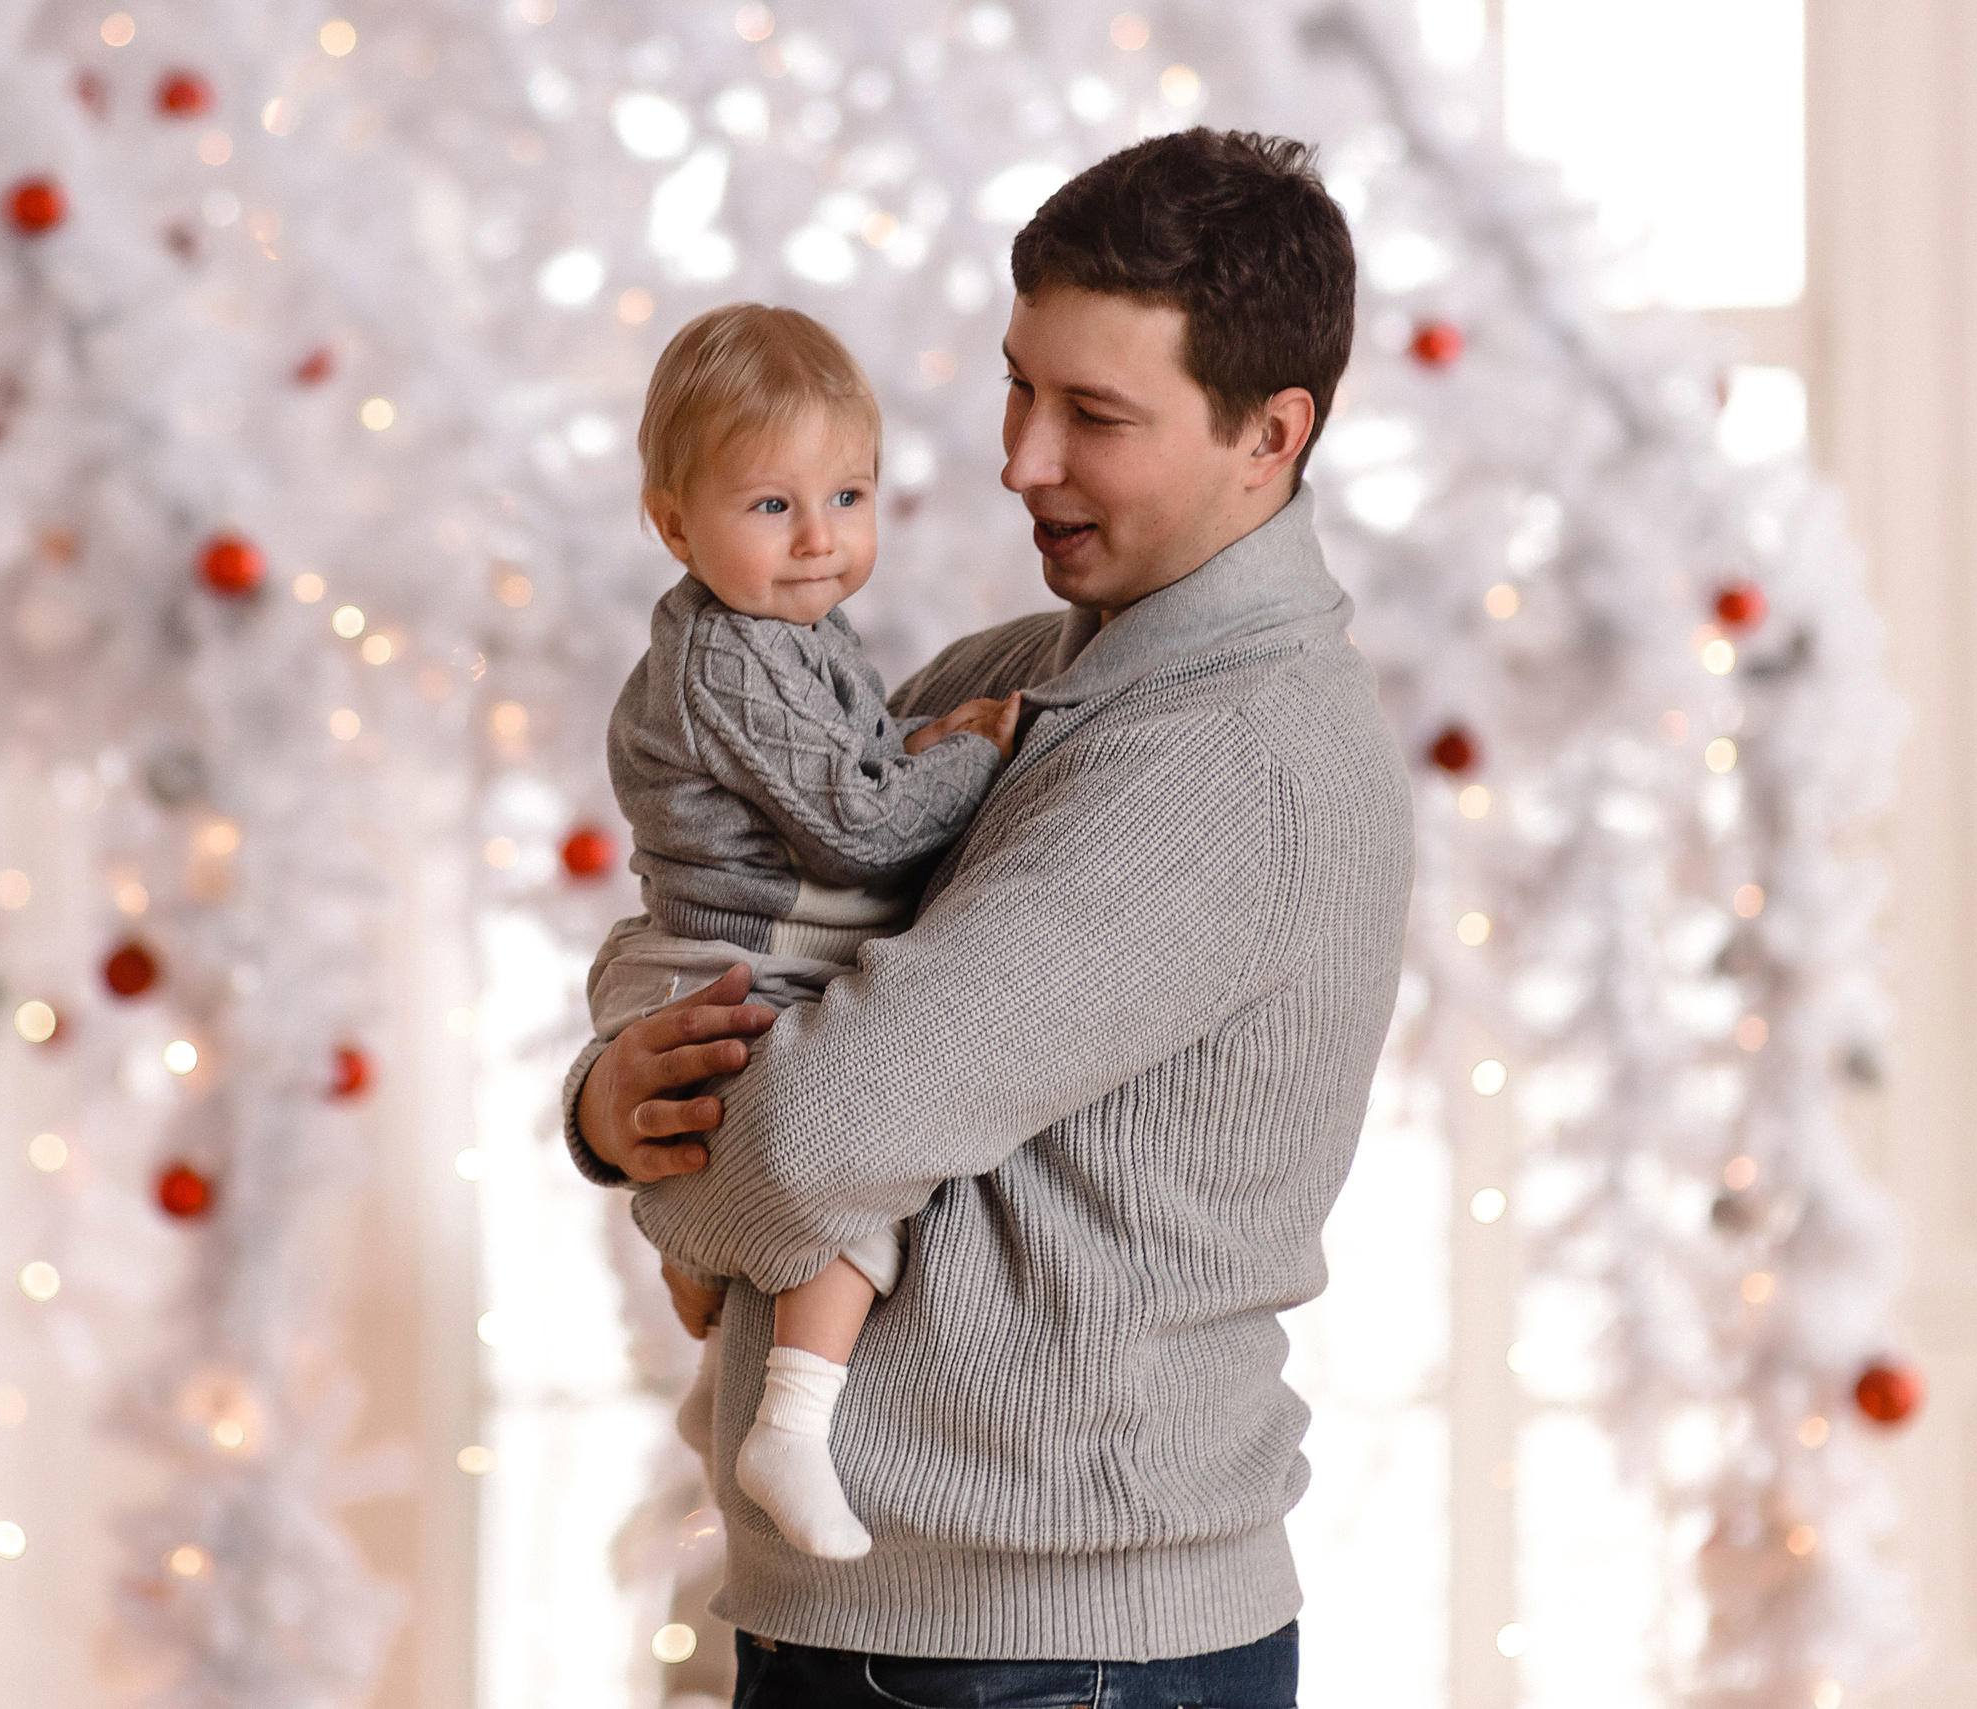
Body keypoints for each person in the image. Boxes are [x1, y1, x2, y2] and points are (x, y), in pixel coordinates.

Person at [563, 128, 1413, 1708]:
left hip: (1049, 1649)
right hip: (912, 1625)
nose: (1022, 457)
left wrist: (661, 1169)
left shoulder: (1229, 762)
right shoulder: (1018, 681)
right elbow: (726, 915)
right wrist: (608, 1098)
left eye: (1094, 414)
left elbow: (803, 1144)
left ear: (1269, 434)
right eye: (1020, 388)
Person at [588, 301, 1020, 1561]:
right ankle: (789, 1415)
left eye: (848, 494)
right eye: (771, 505)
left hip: (747, 939)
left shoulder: (789, 632)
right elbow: (862, 830)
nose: (820, 538)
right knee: (853, 1168)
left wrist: (912, 750)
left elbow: (848, 762)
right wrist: (976, 760)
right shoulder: (729, 658)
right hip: (739, 959)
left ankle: (725, 1359)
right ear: (673, 521)